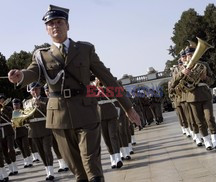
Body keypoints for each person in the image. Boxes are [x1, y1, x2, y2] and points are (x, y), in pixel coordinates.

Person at [8, 4, 140, 182]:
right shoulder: (41, 55)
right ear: (46, 30)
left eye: (60, 22)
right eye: (51, 23)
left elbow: (108, 79)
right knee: (78, 170)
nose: (56, 26)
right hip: (59, 117)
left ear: (67, 26)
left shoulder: (85, 50)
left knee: (91, 164)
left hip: (87, 112)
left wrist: (128, 107)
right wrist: (20, 76)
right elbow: (31, 73)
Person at [181, 42, 216, 151]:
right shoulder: (183, 68)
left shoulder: (204, 65)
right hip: (192, 96)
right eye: (188, 55)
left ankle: (215, 140)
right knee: (199, 121)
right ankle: (207, 141)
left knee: (209, 118)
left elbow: (212, 80)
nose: (190, 57)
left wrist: (205, 78)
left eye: (192, 54)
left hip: (205, 94)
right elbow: (179, 84)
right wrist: (184, 74)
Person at [23, 83, 54, 181]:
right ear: (30, 91)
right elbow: (26, 115)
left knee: (47, 150)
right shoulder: (26, 103)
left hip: (45, 128)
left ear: (40, 90)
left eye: (36, 89)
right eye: (33, 90)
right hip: (33, 130)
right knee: (41, 151)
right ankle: (47, 170)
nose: (35, 91)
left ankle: (51, 172)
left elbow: (51, 113)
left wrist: (40, 104)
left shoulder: (46, 100)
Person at [44, 84, 69, 173]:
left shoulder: (56, 98)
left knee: (63, 144)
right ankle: (61, 164)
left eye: (48, 90)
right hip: (48, 127)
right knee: (55, 146)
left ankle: (67, 161)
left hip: (59, 124)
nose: (47, 92)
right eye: (46, 91)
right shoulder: (43, 100)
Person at [11, 98, 33, 168]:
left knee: (25, 146)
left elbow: (27, 119)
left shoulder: (22, 111)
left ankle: (30, 160)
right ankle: (25, 160)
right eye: (14, 104)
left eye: (17, 104)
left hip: (24, 131)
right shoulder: (11, 113)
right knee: (21, 148)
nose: (16, 106)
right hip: (16, 133)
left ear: (20, 104)